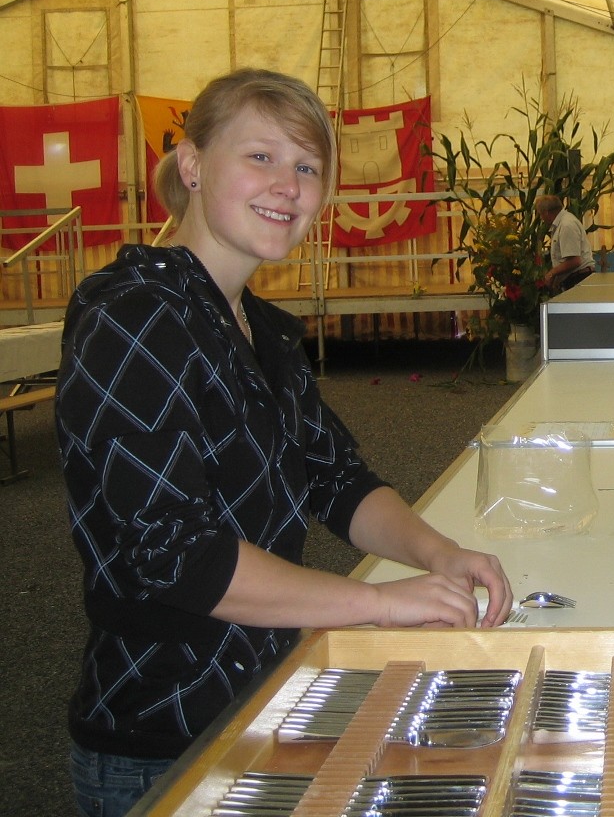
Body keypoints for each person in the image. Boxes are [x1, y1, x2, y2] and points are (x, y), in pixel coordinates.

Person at [58, 68, 514, 817]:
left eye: (307, 167)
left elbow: (336, 479)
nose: (289, 186)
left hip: (265, 699)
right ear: (193, 165)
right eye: (261, 157)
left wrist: (439, 553)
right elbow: (176, 553)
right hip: (164, 738)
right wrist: (376, 604)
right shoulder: (134, 316)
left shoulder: (260, 329)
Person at [535, 193, 594, 292]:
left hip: (579, 279)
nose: (541, 218)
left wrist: (551, 274)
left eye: (541, 214)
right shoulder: (561, 224)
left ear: (547, 213)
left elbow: (575, 261)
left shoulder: (566, 225)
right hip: (575, 278)